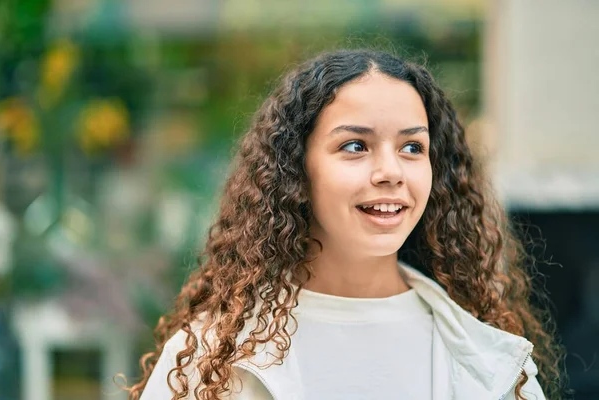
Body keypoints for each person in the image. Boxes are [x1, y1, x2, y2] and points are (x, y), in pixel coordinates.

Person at [126, 49, 565, 400]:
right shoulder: (211, 359)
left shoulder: (493, 361)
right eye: (356, 146)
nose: (391, 171)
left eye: (413, 147)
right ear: (296, 170)